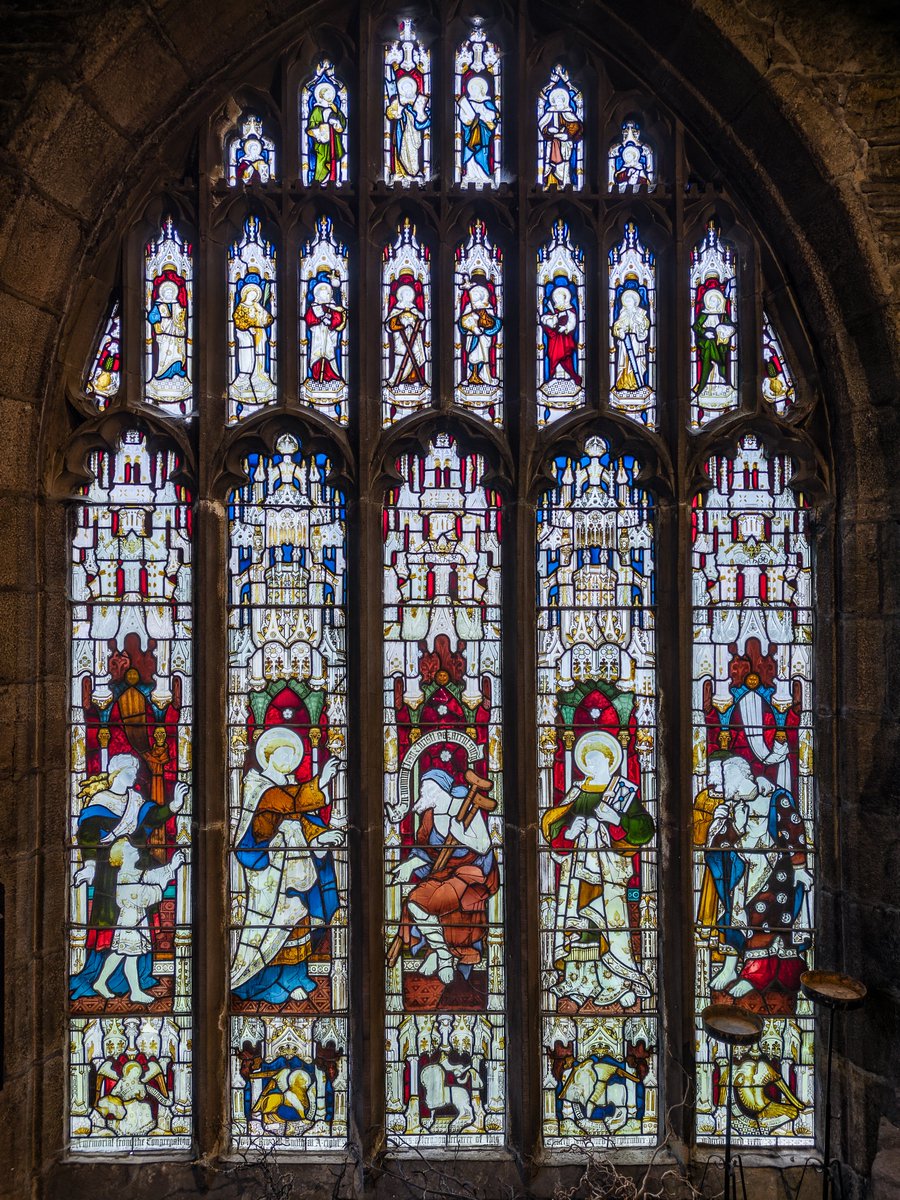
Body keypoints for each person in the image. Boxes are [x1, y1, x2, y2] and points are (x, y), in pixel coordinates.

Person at [541, 730, 654, 1007]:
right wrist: (569, 832)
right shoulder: (577, 792)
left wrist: (614, 819)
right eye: (587, 763)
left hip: (609, 872)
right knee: (580, 926)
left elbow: (645, 829)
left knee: (608, 925)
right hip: (577, 871)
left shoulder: (621, 793)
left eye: (597, 762)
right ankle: (578, 982)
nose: (590, 767)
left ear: (609, 762)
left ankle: (616, 982)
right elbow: (552, 825)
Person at [231, 727, 342, 1003]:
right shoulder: (261, 787)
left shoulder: (286, 784)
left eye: (292, 755)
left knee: (299, 918)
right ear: (267, 756)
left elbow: (302, 819)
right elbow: (288, 803)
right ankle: (268, 982)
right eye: (283, 753)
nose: (289, 760)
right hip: (270, 868)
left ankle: (296, 976)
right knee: (276, 922)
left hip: (295, 864)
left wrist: (320, 836)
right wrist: (322, 781)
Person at [697, 754, 812, 1005]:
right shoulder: (730, 808)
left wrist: (800, 866)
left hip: (775, 874)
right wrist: (735, 826)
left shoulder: (775, 797)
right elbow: (717, 847)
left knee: (760, 920)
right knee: (733, 919)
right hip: (743, 875)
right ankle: (730, 966)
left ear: (739, 776)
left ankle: (754, 974)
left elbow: (794, 831)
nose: (719, 787)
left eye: (723, 780)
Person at [70, 752, 187, 999]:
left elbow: (152, 817)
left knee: (134, 932)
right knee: (114, 925)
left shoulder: (136, 800)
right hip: (108, 873)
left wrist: (174, 806)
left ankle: (137, 978)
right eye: (129, 772)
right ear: (116, 773)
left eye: (134, 772)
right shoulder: (100, 801)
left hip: (137, 863)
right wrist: (90, 865)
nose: (134, 776)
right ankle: (104, 979)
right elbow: (88, 836)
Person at [392, 766, 499, 985]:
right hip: (441, 872)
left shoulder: (467, 807)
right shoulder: (429, 816)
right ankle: (442, 952)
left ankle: (443, 956)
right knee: (414, 903)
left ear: (437, 789)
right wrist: (409, 865)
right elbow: (426, 851)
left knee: (440, 901)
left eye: (425, 788)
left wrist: (462, 836)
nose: (422, 793)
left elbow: (485, 845)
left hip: (471, 872)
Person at [93, 839, 186, 1002]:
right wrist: (161, 886)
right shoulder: (123, 876)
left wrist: (171, 867)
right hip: (130, 921)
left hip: (134, 919)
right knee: (128, 954)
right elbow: (143, 895)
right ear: (122, 856)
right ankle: (131, 991)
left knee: (123, 954)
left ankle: (104, 983)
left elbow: (151, 876)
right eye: (130, 849)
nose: (135, 849)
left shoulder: (135, 873)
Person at [231, 279, 274, 400]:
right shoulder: (241, 307)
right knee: (248, 355)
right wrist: (249, 328)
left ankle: (259, 373)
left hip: (260, 334)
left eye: (255, 295)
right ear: (246, 294)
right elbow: (238, 321)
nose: (253, 296)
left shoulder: (257, 306)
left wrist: (262, 315)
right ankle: (246, 375)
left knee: (260, 353)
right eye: (251, 294)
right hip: (247, 336)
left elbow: (269, 319)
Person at [693, 280, 736, 399]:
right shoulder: (704, 314)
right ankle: (705, 386)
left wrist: (725, 331)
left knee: (717, 359)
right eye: (711, 300)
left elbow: (732, 327)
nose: (713, 302)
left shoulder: (722, 315)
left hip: (720, 345)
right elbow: (696, 326)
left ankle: (721, 382)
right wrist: (705, 333)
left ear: (719, 302)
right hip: (706, 343)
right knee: (709, 350)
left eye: (716, 300)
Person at [386, 74, 430, 181]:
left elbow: (424, 116)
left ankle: (414, 172)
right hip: (401, 131)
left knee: (413, 151)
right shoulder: (397, 101)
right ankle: (401, 173)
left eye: (409, 88)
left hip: (414, 132)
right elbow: (390, 113)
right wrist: (398, 111)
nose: (407, 90)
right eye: (405, 88)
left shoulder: (417, 101)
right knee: (400, 150)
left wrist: (420, 113)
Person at [458, 280, 501, 386]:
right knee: (472, 356)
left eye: (476, 293)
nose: (473, 295)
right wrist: (471, 326)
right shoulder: (469, 306)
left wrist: (483, 327)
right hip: (472, 337)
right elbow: (462, 322)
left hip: (484, 337)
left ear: (482, 295)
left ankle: (484, 376)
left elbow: (495, 322)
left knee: (483, 357)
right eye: (472, 293)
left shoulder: (487, 306)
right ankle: (471, 375)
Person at [385, 280, 428, 386]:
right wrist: (402, 321)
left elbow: (421, 322)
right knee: (402, 356)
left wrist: (417, 317)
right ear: (401, 295)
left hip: (414, 337)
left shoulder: (414, 309)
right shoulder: (397, 309)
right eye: (406, 294)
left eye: (410, 294)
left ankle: (413, 378)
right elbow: (390, 324)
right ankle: (398, 379)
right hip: (401, 338)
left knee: (415, 355)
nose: (408, 295)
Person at [538, 86, 582, 188]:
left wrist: (566, 135)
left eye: (560, 101)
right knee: (550, 164)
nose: (558, 103)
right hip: (551, 143)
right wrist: (549, 130)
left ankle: (565, 184)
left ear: (564, 101)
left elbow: (576, 127)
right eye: (556, 101)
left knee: (564, 164)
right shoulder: (549, 112)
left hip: (565, 144)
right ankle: (550, 184)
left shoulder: (569, 113)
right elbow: (542, 126)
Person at [303, 279, 346, 383]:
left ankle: (330, 375)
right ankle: (317, 376)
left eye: (327, 294)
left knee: (329, 353)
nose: (325, 296)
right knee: (317, 354)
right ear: (317, 295)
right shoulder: (313, 307)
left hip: (329, 337)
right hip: (317, 336)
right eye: (322, 294)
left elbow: (338, 319)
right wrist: (320, 319)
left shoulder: (333, 307)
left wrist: (330, 323)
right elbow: (308, 319)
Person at [147, 277, 188, 383]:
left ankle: (177, 370)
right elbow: (152, 316)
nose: (169, 295)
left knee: (178, 353)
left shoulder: (177, 304)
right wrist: (157, 323)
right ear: (163, 294)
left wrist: (181, 317)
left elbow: (181, 317)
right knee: (165, 353)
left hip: (176, 334)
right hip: (165, 335)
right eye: (167, 293)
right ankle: (162, 373)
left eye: (171, 293)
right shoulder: (158, 305)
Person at [458, 75, 497, 184]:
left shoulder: (487, 103)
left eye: (475, 88)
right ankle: (470, 175)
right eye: (472, 88)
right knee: (470, 155)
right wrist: (470, 119)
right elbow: (463, 117)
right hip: (470, 134)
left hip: (483, 135)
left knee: (482, 154)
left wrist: (482, 117)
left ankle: (483, 176)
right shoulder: (467, 102)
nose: (473, 90)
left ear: (481, 89)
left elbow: (492, 118)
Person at [611, 286, 651, 394]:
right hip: (625, 343)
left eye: (630, 301)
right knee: (624, 362)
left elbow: (645, 326)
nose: (628, 303)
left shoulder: (641, 314)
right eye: (626, 301)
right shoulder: (623, 313)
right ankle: (623, 384)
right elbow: (616, 327)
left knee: (636, 362)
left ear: (634, 302)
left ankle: (636, 384)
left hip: (636, 342)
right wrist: (621, 331)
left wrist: (638, 327)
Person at [540, 284, 582, 386]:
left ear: (565, 298)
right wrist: (552, 320)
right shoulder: (552, 311)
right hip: (554, 340)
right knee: (553, 357)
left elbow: (572, 322)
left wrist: (566, 328)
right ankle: (554, 377)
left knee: (566, 358)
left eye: (560, 298)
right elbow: (544, 319)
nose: (558, 300)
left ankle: (569, 377)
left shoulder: (570, 310)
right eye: (556, 298)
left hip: (565, 340)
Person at [306, 80, 346, 184]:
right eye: (327, 93)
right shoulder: (316, 110)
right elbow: (311, 126)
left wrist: (336, 118)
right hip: (322, 141)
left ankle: (334, 179)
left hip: (334, 139)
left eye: (331, 94)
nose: (330, 95)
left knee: (334, 158)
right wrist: (319, 132)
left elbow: (342, 123)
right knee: (322, 160)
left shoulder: (334, 109)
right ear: (322, 95)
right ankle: (320, 181)